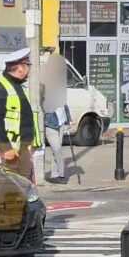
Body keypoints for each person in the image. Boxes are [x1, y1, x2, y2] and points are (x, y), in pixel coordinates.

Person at [0, 48, 41, 181]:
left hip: (22, 149)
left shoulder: (19, 86)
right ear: (20, 68)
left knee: (25, 189)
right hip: (10, 152)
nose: (30, 69)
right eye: (28, 65)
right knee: (9, 189)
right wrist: (6, 148)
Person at [41, 51, 70, 184]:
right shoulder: (44, 81)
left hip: (61, 120)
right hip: (51, 121)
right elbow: (41, 98)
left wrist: (68, 119)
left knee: (55, 150)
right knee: (57, 149)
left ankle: (54, 175)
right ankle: (62, 175)